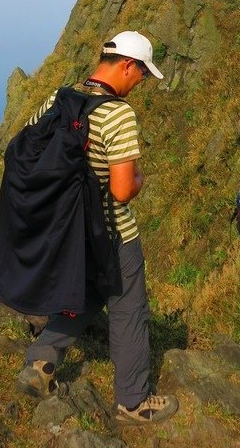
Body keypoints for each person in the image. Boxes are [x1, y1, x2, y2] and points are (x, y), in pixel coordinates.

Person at [17, 31, 179, 425]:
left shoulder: (62, 98)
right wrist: (138, 177)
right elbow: (123, 191)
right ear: (127, 65)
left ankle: (41, 362)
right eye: (142, 73)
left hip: (70, 233)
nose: (141, 82)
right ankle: (133, 401)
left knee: (85, 296)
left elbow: (25, 146)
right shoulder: (119, 114)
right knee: (128, 308)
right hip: (112, 233)